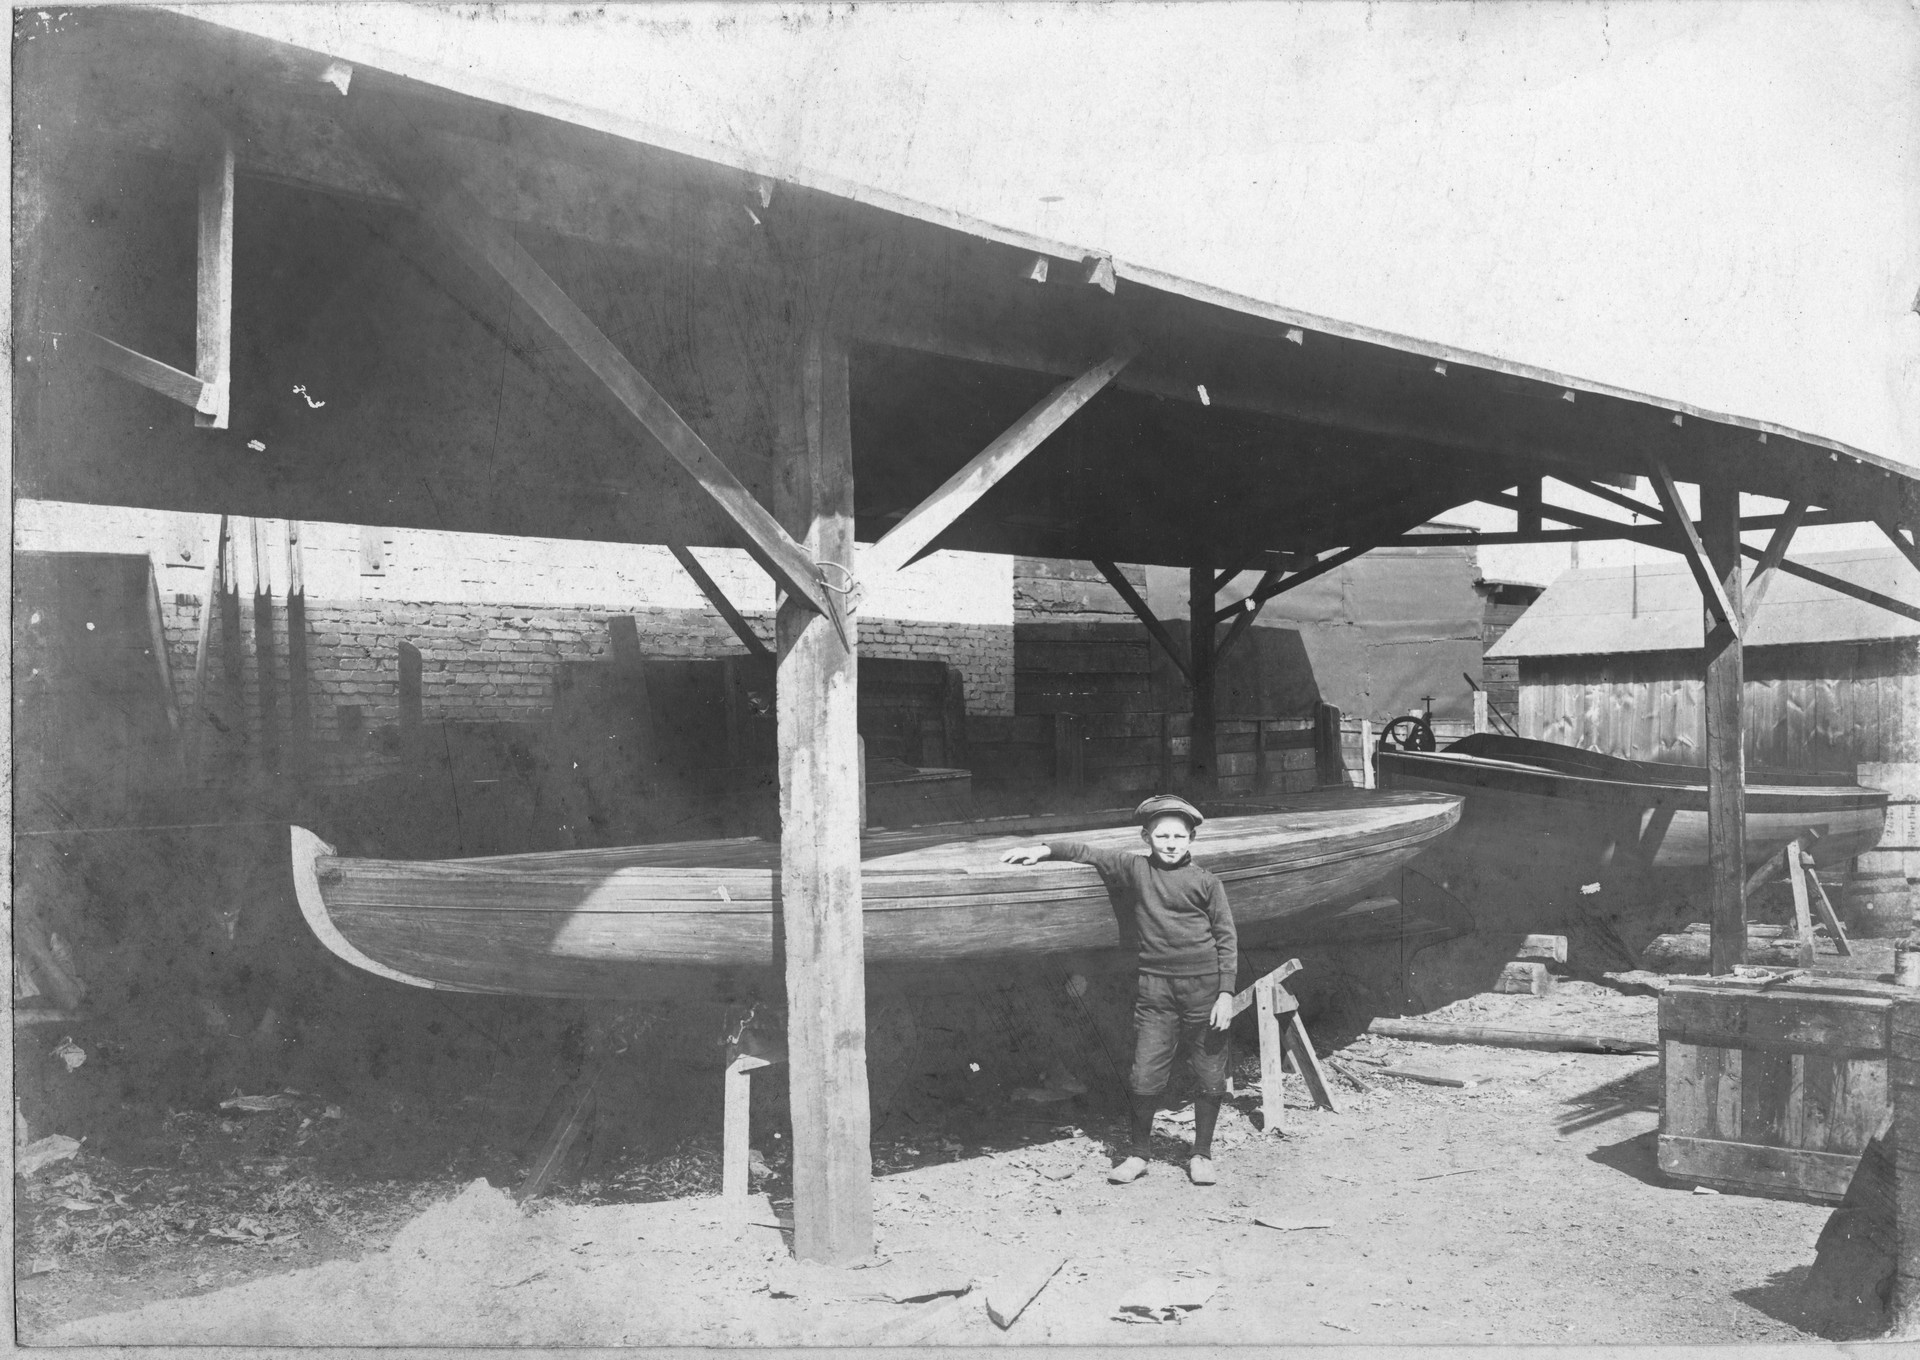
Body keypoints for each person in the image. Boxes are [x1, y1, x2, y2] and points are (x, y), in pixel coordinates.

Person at [1001, 794, 1237, 1185]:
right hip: (1155, 991)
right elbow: (1089, 852)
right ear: (1146, 838)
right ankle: (1139, 1154)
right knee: (1144, 1076)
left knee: (1210, 1074)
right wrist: (1042, 849)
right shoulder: (1136, 868)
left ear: (1192, 839)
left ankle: (1201, 1154)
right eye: (1162, 835)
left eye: (1179, 836)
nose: (1171, 843)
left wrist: (1226, 994)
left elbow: (1227, 939)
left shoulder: (1208, 883)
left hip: (1205, 991)